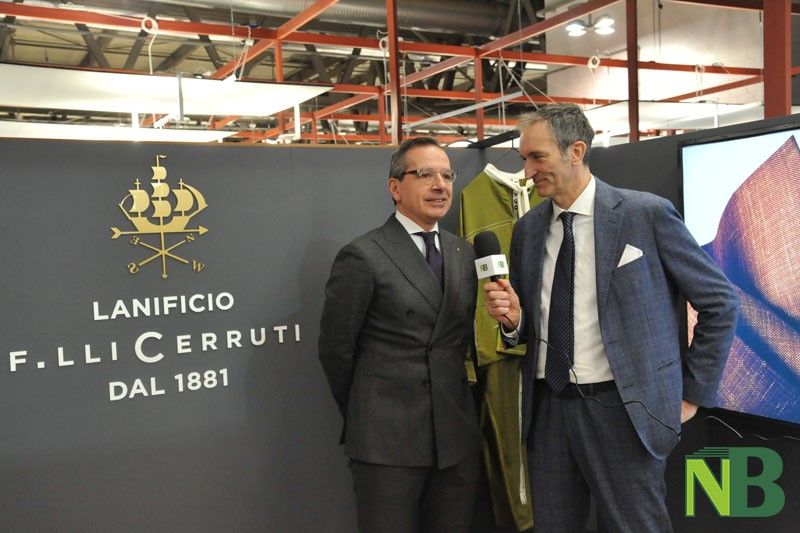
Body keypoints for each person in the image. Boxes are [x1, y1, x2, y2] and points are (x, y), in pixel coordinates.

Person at [483, 104, 739, 532]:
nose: (527, 172)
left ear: (576, 151)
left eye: (537, 157)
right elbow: (532, 327)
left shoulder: (645, 214)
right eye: (524, 158)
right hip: (548, 411)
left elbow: (720, 302)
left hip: (626, 412)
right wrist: (513, 322)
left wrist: (693, 393)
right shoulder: (528, 229)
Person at [318, 137, 480, 533]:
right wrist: (371, 409)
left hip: (455, 439)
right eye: (424, 174)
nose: (440, 186)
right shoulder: (364, 255)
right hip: (386, 442)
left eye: (447, 175)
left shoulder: (464, 254)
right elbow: (336, 350)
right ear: (395, 187)